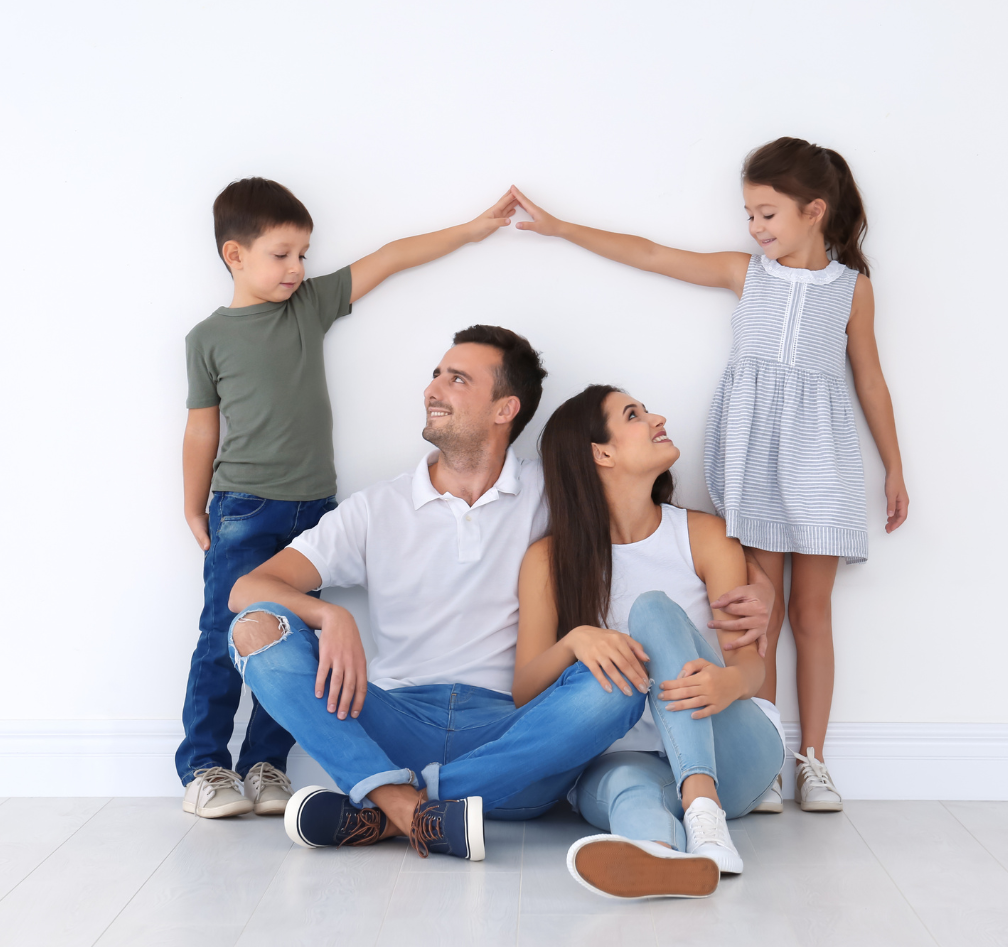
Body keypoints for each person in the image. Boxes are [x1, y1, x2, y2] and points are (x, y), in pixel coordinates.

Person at [511, 137, 909, 812]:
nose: (755, 228)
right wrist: (562, 228)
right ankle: (765, 763)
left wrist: (894, 466)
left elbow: (869, 378)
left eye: (766, 214)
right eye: (749, 214)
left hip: (821, 461)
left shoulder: (852, 290)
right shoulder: (746, 274)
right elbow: (650, 254)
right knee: (758, 615)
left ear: (814, 211)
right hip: (755, 460)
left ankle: (813, 760)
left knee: (812, 613)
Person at [227, 327, 722, 862]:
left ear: (505, 408)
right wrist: (328, 615)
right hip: (395, 723)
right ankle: (407, 808)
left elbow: (640, 518)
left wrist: (752, 585)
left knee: (622, 680)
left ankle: (392, 811)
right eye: (436, 376)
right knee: (254, 628)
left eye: (457, 379)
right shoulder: (376, 508)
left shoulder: (555, 492)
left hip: (518, 738)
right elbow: (248, 589)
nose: (432, 390)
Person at [177, 179, 518, 819]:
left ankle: (266, 765)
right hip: (242, 507)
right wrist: (194, 506)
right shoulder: (207, 338)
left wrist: (472, 230)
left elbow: (390, 258)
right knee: (225, 631)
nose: (297, 268)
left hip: (313, 508)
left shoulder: (306, 306)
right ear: (235, 255)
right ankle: (204, 766)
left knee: (297, 636)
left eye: (303, 255)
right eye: (282, 255)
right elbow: (202, 429)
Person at [514, 384, 786, 899]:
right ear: (602, 453)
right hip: (628, 758)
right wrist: (576, 641)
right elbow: (525, 691)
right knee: (626, 787)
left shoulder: (704, 536)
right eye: (634, 415)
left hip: (732, 754)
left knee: (652, 610)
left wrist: (726, 683)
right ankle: (661, 856)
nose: (658, 418)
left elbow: (752, 669)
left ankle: (703, 808)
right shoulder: (547, 562)